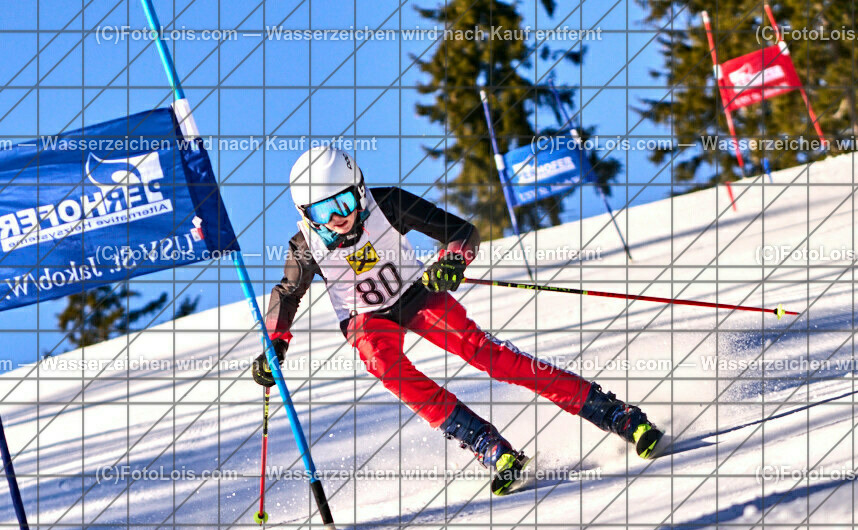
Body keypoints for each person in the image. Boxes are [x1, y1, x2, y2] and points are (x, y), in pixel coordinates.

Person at [251, 145, 662, 495]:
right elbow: (287, 294)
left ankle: (615, 414)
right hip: (365, 319)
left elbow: (461, 231)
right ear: (307, 214)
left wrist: (452, 260)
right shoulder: (305, 247)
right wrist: (275, 344)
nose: (338, 217)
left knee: (489, 357)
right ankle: (488, 445)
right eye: (324, 210)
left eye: (343, 202)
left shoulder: (388, 203)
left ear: (359, 190)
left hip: (417, 294)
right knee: (385, 366)